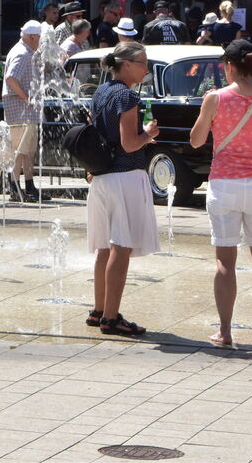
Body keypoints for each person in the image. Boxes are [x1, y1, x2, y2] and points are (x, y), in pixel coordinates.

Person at [189, 39, 252, 346]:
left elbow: (196, 140)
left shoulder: (215, 98)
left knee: (225, 262)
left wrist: (207, 115)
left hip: (225, 183)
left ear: (228, 66)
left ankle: (225, 331)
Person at [86, 42, 159, 337]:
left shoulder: (101, 92)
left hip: (102, 176)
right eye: (143, 63)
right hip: (125, 176)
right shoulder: (127, 96)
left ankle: (99, 310)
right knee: (121, 246)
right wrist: (148, 134)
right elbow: (129, 144)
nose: (146, 69)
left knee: (105, 247)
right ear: (126, 65)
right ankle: (111, 318)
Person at [2, 20, 44, 202]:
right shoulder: (22, 53)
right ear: (32, 37)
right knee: (19, 150)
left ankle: (29, 186)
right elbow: (10, 78)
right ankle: (14, 188)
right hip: (20, 110)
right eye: (40, 38)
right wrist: (26, 97)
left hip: (26, 111)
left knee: (28, 151)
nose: (41, 42)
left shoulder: (26, 51)